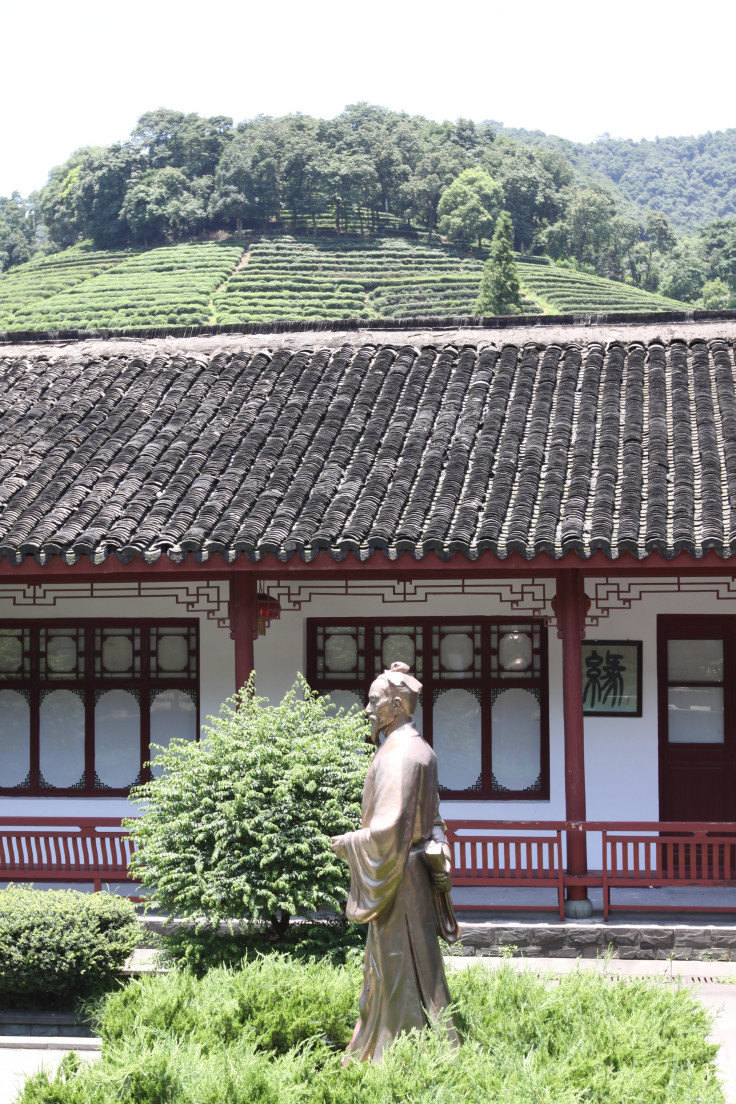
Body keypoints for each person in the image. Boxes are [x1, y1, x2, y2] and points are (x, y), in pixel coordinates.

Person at [331, 660, 461, 1063]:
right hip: (414, 874)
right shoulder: (421, 749)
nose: (367, 710)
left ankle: (396, 1054)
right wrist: (438, 848)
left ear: (398, 705)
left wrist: (347, 842)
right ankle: (434, 1043)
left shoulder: (398, 756)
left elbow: (387, 831)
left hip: (400, 878)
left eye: (374, 702)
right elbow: (434, 820)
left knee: (397, 968)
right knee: (415, 965)